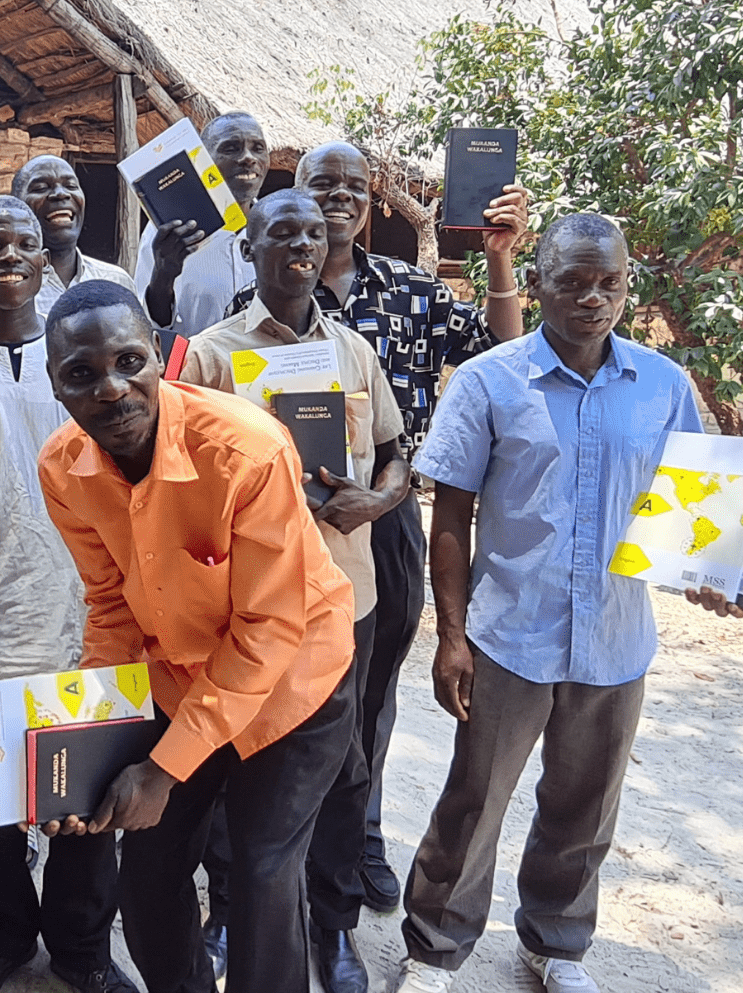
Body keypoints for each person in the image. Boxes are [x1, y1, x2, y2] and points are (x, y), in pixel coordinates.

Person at [393, 214, 732, 993]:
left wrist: (711, 573)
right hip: (510, 634)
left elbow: (691, 511)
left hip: (615, 639)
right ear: (535, 282)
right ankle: (435, 950)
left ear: (625, 286)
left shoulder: (662, 386)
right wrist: (451, 636)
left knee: (584, 807)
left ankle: (555, 944)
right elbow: (450, 516)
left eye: (608, 283)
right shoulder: (489, 381)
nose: (592, 299)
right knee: (474, 802)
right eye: (573, 281)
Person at [225, 140, 528, 921]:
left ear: (372, 201)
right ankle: (255, 863)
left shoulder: (410, 290)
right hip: (271, 532)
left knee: (368, 693)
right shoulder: (243, 308)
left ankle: (358, 839)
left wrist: (498, 260)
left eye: (354, 186)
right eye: (321, 183)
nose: (338, 197)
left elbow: (502, 349)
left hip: (382, 524)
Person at [37, 280, 360, 993]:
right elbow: (111, 607)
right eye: (81, 376)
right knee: (147, 873)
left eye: (128, 362)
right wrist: (88, 745)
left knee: (262, 870)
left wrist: (163, 768)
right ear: (55, 386)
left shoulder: (247, 449)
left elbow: (269, 630)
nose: (113, 390)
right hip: (177, 678)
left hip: (293, 684)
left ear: (158, 357)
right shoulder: (63, 469)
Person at [179, 190, 409, 993]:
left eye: (313, 232)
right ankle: (229, 915)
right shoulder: (208, 356)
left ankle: (333, 925)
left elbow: (393, 453)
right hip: (245, 612)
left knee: (347, 773)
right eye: (283, 232)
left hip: (347, 602)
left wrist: (375, 501)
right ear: (252, 250)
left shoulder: (353, 352)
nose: (301, 245)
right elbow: (181, 484)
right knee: (235, 766)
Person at [0, 197, 139, 993]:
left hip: (89, 615)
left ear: (47, 259)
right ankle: (6, 931)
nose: (10, 255)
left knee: (87, 801)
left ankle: (81, 947)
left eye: (26, 243)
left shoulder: (81, 362)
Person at [132, 111, 270, 337]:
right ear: (204, 160)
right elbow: (148, 328)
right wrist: (163, 277)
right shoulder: (170, 232)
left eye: (258, 148)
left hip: (268, 370)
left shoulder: (276, 228)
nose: (248, 158)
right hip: (194, 369)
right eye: (231, 148)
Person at [9, 155, 135, 316]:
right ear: (16, 206)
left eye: (71, 185)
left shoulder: (115, 281)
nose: (60, 194)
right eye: (40, 188)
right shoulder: (6, 287)